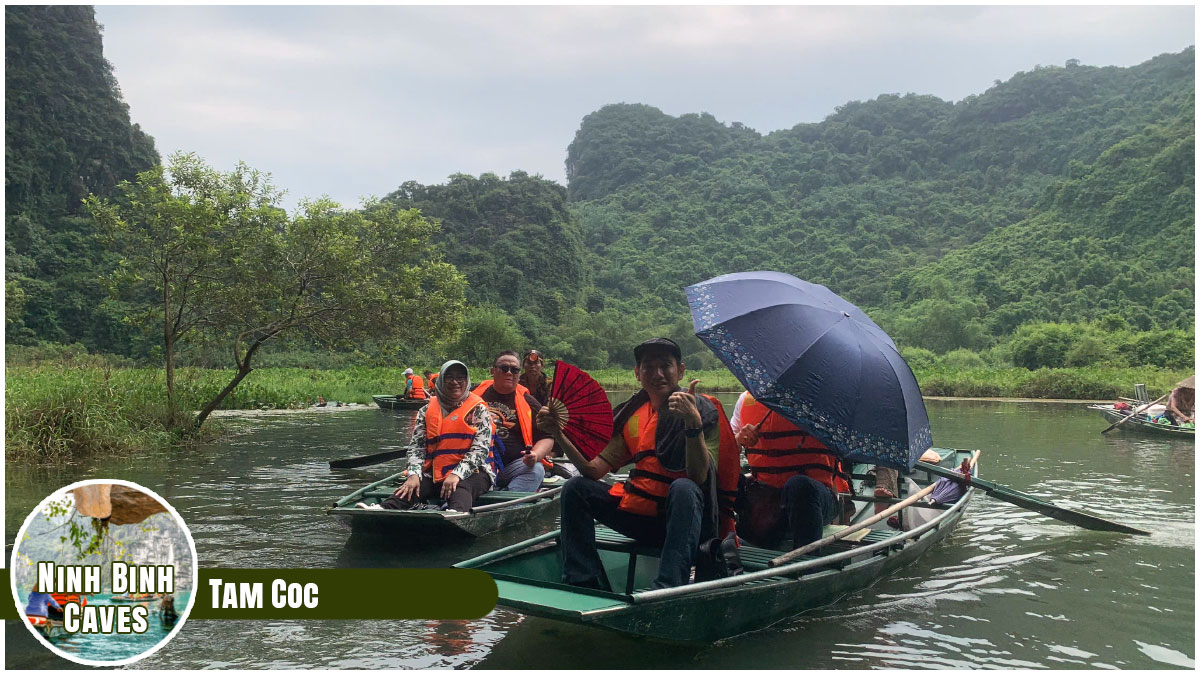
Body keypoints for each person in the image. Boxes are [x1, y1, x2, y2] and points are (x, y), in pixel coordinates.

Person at [537, 338, 738, 590]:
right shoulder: (633, 415)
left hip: (686, 524)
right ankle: (583, 580)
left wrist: (692, 424)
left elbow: (699, 476)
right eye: (648, 367)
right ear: (637, 373)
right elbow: (592, 470)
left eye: (666, 366)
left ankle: (668, 585)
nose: (658, 374)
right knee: (576, 488)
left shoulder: (702, 410)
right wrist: (558, 433)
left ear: (681, 370)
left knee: (684, 487)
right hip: (641, 519)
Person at [366, 361, 495, 512]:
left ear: (466, 382)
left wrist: (456, 474)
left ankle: (456, 514)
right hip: (435, 472)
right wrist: (414, 474)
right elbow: (417, 448)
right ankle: (383, 508)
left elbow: (480, 450)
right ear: (441, 381)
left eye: (460, 378)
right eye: (449, 378)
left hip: (474, 472)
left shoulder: (479, 410)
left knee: (461, 486)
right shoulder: (426, 410)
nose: (455, 382)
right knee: (412, 486)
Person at [730, 390, 851, 550]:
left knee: (799, 486)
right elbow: (725, 451)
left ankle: (807, 563)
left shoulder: (826, 401)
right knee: (726, 479)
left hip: (815, 499)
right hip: (764, 498)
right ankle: (721, 549)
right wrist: (739, 439)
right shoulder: (746, 400)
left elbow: (847, 441)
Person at [473, 351, 555, 492]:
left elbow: (547, 436)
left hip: (512, 467)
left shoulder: (529, 401)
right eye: (504, 368)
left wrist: (536, 455)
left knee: (536, 469)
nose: (509, 373)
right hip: (476, 464)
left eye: (515, 370)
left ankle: (506, 499)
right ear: (493, 371)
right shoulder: (472, 396)